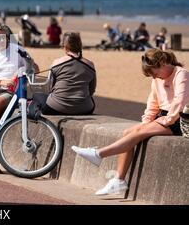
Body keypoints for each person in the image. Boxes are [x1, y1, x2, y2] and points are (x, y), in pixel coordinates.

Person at [72, 49, 188, 195]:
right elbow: (153, 103)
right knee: (128, 132)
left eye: (154, 72)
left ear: (163, 63)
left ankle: (98, 154)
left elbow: (180, 102)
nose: (153, 76)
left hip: (179, 119)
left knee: (138, 133)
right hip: (164, 117)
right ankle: (118, 181)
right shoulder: (156, 79)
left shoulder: (181, 74)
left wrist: (166, 120)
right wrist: (146, 122)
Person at [0, 22, 39, 130]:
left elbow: (35, 70)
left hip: (13, 91)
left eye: (2, 38)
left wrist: (31, 66)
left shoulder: (18, 50)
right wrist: (0, 82)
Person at [32, 32, 96, 115]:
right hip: (85, 108)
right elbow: (91, 90)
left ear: (65, 46)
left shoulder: (56, 63)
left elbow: (50, 88)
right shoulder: (90, 65)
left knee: (36, 96)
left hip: (56, 107)